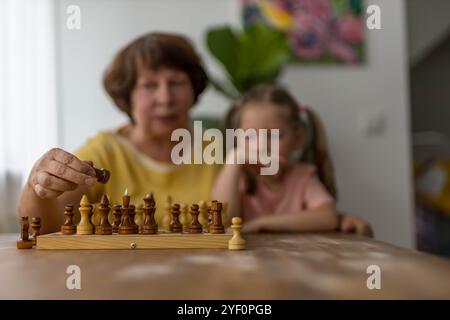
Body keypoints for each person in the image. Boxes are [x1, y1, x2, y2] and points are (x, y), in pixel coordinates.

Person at [17, 32, 217, 233]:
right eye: (149, 85)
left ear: (194, 89)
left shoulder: (213, 148)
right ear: (127, 96)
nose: (165, 98)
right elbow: (44, 227)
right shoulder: (103, 152)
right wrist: (36, 187)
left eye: (176, 83)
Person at [212, 84, 366, 235]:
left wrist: (262, 223)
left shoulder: (302, 178)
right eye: (249, 137)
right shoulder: (238, 179)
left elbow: (328, 217)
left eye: (274, 136)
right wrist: (234, 160)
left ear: (298, 138)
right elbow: (221, 220)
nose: (261, 147)